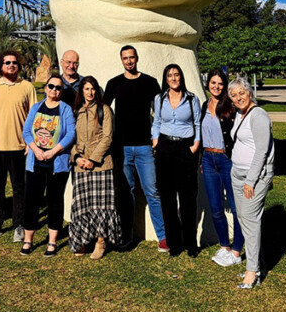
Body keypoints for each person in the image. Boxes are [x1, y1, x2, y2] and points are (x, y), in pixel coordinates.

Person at [104, 45, 168, 252]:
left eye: (132, 57)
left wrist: (157, 138)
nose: (129, 61)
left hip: (144, 147)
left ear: (137, 58)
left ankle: (164, 237)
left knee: (152, 191)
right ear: (121, 60)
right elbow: (103, 111)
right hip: (121, 148)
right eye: (125, 58)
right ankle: (126, 236)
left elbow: (160, 112)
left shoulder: (150, 83)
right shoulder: (114, 83)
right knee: (126, 192)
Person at [0, 49, 38, 241]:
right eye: (7, 63)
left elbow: (34, 117)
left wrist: (31, 143)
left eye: (14, 63)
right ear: (0, 66)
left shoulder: (27, 87)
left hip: (20, 148)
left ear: (19, 66)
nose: (11, 65)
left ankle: (19, 225)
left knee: (20, 188)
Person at [20, 73, 76, 257]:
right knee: (32, 201)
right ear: (45, 88)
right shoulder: (36, 108)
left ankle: (52, 242)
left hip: (57, 164)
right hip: (35, 162)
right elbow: (27, 131)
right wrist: (35, 149)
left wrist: (53, 151)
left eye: (58, 88)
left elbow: (70, 135)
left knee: (54, 201)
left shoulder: (65, 109)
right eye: (51, 86)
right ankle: (28, 240)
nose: (54, 90)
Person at [229, 75, 275, 289]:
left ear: (250, 93)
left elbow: (262, 151)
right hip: (237, 174)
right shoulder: (240, 114)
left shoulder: (259, 116)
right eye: (234, 95)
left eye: (242, 93)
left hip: (253, 177)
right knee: (246, 221)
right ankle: (258, 263)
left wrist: (251, 180)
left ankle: (252, 271)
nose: (239, 98)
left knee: (250, 220)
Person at [70, 76, 123, 260]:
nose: (90, 93)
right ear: (81, 91)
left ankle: (100, 242)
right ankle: (83, 239)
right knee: (83, 204)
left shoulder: (104, 110)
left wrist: (93, 159)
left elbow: (107, 137)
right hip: (80, 165)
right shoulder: (76, 111)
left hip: (101, 165)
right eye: (86, 89)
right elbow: (72, 137)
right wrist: (77, 157)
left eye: (93, 89)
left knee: (101, 205)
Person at [151, 63, 202, 257]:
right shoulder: (160, 98)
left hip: (185, 147)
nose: (173, 78)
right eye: (170, 75)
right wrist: (156, 141)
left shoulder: (191, 99)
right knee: (167, 198)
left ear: (181, 77)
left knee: (188, 197)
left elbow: (197, 122)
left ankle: (191, 243)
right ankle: (174, 243)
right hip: (165, 147)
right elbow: (156, 121)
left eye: (176, 75)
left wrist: (195, 146)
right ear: (165, 79)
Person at [199, 68, 244, 267]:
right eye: (213, 82)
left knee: (236, 208)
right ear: (208, 84)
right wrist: (201, 158)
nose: (216, 86)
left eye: (220, 83)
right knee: (216, 208)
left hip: (227, 160)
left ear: (224, 86)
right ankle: (225, 246)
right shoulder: (204, 105)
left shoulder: (230, 106)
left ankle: (236, 250)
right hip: (208, 159)